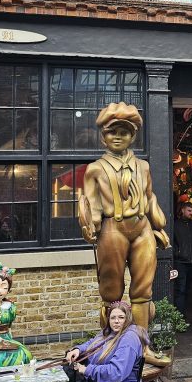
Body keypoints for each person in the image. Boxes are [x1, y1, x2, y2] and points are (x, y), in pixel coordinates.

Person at [77, 102, 169, 341]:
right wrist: (91, 226)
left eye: (124, 132)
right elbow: (91, 202)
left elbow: (149, 197)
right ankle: (111, 342)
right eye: (112, 132)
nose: (118, 137)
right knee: (111, 290)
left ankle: (141, 345)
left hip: (142, 228)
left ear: (132, 137)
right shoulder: (95, 169)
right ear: (103, 137)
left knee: (143, 290)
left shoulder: (143, 166)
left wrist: (158, 224)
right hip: (113, 228)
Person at [172, 201, 192, 315]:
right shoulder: (175, 225)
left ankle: (182, 312)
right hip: (180, 262)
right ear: (182, 210)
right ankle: (179, 315)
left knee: (187, 289)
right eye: (189, 210)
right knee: (180, 289)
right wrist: (177, 253)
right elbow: (171, 241)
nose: (191, 213)